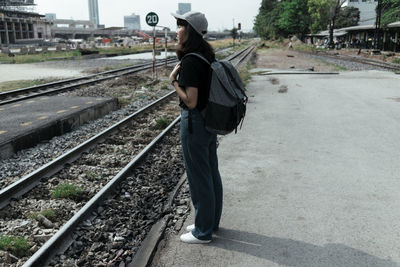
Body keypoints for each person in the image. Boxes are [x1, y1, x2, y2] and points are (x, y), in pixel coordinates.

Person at [169, 11, 223, 244]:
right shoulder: (207, 54)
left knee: (199, 176)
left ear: (189, 30)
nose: (177, 30)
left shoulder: (190, 60)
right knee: (210, 172)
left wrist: (173, 82)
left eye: (180, 25)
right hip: (208, 120)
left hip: (194, 122)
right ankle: (210, 222)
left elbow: (190, 100)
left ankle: (202, 231)